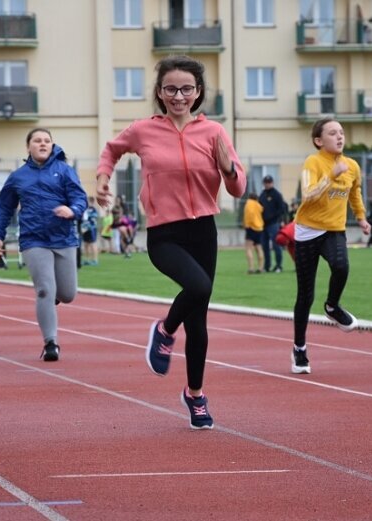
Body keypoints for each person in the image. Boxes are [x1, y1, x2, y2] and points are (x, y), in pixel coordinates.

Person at [96, 55, 246, 430]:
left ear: (198, 93)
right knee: (199, 286)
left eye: (186, 89)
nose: (179, 96)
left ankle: (195, 395)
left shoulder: (213, 132)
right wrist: (102, 177)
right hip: (165, 233)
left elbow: (238, 186)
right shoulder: (143, 130)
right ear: (160, 93)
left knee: (199, 322)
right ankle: (164, 330)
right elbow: (111, 149)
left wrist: (229, 168)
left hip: (203, 231)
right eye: (171, 89)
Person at [0, 128, 87, 362]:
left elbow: (80, 198)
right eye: (37, 141)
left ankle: (53, 297)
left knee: (68, 294)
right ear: (28, 147)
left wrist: (72, 210)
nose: (43, 144)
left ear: (52, 146)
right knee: (44, 290)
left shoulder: (65, 171)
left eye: (47, 141)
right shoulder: (18, 177)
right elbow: (4, 208)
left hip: (63, 238)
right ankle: (50, 343)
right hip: (34, 239)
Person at [290, 118, 370, 375]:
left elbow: (355, 192)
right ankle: (299, 348)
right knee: (305, 295)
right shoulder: (313, 163)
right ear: (318, 140)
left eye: (341, 132)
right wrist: (329, 176)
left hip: (334, 229)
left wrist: (361, 217)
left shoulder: (352, 166)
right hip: (307, 230)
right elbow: (308, 193)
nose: (339, 137)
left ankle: (333, 307)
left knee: (341, 265)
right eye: (332, 133)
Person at [259, 175, 286, 272]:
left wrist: (277, 218)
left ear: (272, 183)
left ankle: (278, 266)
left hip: (273, 224)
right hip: (263, 225)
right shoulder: (262, 194)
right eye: (266, 183)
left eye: (269, 182)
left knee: (276, 245)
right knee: (264, 246)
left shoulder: (277, 194)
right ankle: (267, 266)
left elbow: (282, 209)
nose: (267, 184)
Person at [243, 192, 264, 274]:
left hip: (251, 228)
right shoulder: (258, 205)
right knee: (258, 247)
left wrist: (246, 225)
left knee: (248, 248)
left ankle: (251, 268)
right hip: (259, 228)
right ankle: (260, 267)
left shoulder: (248, 204)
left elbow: (248, 215)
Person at [81, 196, 100, 266]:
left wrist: (86, 227)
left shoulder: (93, 210)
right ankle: (87, 259)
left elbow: (93, 220)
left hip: (92, 229)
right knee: (86, 244)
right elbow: (84, 220)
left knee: (93, 244)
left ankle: (95, 260)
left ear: (91, 202)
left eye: (87, 201)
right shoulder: (86, 210)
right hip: (85, 229)